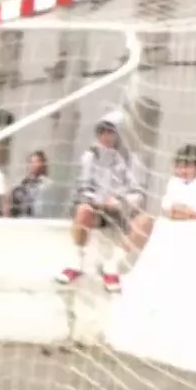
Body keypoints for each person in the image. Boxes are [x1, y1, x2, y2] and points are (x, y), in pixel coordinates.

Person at [58, 111, 146, 293]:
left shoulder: (131, 159)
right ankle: (77, 264)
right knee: (83, 210)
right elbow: (83, 187)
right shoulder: (90, 156)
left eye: (110, 132)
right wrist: (97, 202)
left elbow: (138, 192)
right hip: (97, 208)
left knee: (146, 221)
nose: (105, 136)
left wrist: (119, 202)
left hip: (121, 210)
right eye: (102, 132)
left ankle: (112, 267)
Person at [159, 144, 196, 220]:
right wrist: (178, 211)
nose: (183, 171)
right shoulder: (173, 182)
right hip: (174, 222)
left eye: (188, 167)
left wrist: (188, 212)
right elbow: (167, 206)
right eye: (179, 167)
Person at [9, 150, 50, 218]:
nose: (33, 165)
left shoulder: (47, 184)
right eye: (31, 162)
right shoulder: (21, 183)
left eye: (36, 162)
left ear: (43, 164)